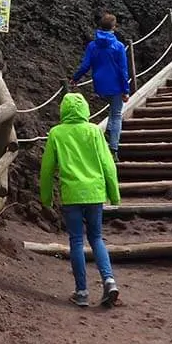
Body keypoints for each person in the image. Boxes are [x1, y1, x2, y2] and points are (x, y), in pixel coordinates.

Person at [40, 92, 122, 308]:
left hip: (72, 194)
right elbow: (107, 164)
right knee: (96, 238)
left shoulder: (56, 133)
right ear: (85, 109)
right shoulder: (94, 131)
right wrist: (114, 194)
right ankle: (109, 280)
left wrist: (46, 198)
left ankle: (82, 291)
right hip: (95, 192)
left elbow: (47, 169)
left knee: (76, 241)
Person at [70, 12, 131, 161]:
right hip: (116, 85)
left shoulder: (92, 46)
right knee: (117, 115)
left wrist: (75, 79)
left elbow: (85, 65)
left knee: (111, 109)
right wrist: (126, 90)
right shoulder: (118, 46)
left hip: (99, 85)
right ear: (114, 27)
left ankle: (109, 131)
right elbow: (123, 71)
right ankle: (113, 149)